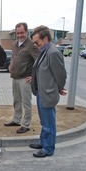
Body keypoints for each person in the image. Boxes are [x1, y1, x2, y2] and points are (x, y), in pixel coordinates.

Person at [29, 25, 67, 158]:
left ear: (45, 39)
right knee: (44, 121)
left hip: (48, 93)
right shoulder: (45, 51)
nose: (35, 45)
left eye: (36, 42)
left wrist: (60, 88)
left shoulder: (53, 53)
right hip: (42, 93)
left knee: (49, 122)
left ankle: (48, 148)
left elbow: (60, 75)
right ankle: (43, 142)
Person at [4, 22, 40, 133]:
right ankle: (16, 119)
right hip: (15, 77)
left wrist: (34, 77)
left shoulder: (31, 45)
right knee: (16, 100)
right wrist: (11, 66)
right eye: (18, 33)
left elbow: (39, 62)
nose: (20, 35)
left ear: (26, 32)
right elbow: (14, 58)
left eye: (22, 33)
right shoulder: (15, 44)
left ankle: (26, 124)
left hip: (25, 78)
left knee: (26, 102)